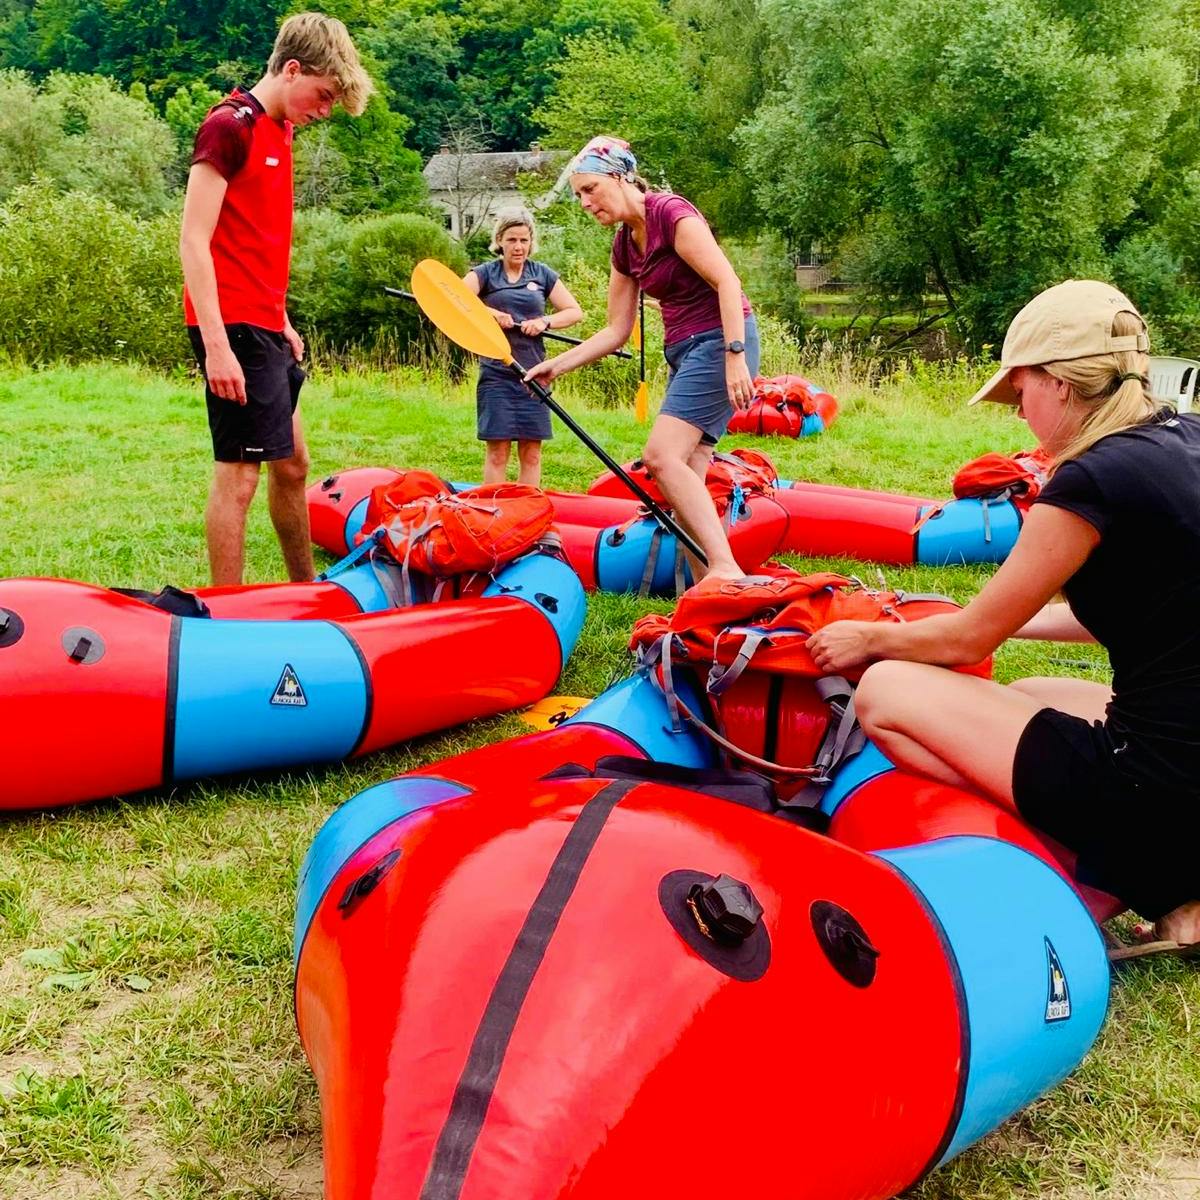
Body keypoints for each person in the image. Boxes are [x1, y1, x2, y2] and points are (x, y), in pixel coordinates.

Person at [807, 279, 1200, 955]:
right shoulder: (1185, 438)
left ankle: (1122, 874)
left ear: (1059, 385)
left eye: (1020, 393)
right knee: (1031, 693)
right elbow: (1145, 611)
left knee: (885, 694)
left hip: (1154, 785)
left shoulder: (1092, 480)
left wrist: (870, 637)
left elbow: (967, 642)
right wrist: (1006, 617)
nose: (1019, 414)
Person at [180, 12, 372, 585]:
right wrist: (217, 345)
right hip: (232, 325)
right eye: (324, 95)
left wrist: (281, 316)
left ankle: (304, 590)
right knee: (239, 476)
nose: (325, 110)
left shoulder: (280, 129)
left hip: (263, 322)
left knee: (293, 465)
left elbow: (252, 236)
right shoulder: (228, 126)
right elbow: (194, 240)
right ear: (292, 70)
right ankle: (225, 613)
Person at [523, 137, 759, 581]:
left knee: (661, 457)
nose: (584, 202)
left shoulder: (670, 213)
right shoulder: (624, 246)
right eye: (578, 195)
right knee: (687, 470)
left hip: (720, 340)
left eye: (590, 189)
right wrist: (559, 364)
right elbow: (616, 330)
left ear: (619, 176)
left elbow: (728, 282)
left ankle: (726, 569)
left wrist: (734, 355)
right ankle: (705, 588)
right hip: (684, 350)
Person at [463, 208, 583, 487]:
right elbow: (456, 301)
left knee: (532, 454)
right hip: (496, 373)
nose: (518, 247)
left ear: (531, 242)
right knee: (497, 453)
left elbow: (574, 312)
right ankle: (494, 507)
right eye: (512, 240)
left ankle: (527, 507)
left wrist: (544, 321)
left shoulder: (542, 274)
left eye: (523, 240)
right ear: (499, 241)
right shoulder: (485, 273)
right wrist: (492, 314)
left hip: (533, 374)